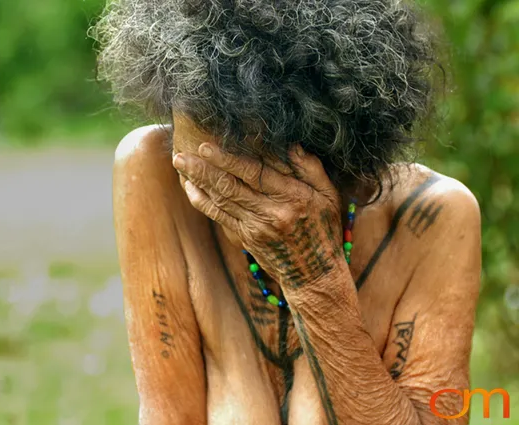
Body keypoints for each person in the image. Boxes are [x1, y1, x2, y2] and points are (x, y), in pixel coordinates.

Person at [95, 0, 481, 424]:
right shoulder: (152, 169)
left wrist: (315, 282)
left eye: (234, 181)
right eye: (195, 172)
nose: (202, 196)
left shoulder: (433, 218)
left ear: (331, 152)